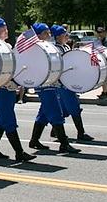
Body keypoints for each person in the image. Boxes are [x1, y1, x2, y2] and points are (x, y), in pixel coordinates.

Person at [0, 17, 37, 163]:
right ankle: (19, 152)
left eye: (6, 28)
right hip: (0, 87)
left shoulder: (6, 45)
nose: (6, 31)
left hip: (9, 87)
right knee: (8, 119)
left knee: (1, 119)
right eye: (3, 29)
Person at [28, 23, 80, 153]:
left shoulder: (47, 46)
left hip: (50, 83)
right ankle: (64, 143)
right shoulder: (36, 49)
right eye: (45, 33)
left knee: (44, 113)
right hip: (44, 84)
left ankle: (34, 140)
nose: (49, 35)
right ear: (37, 35)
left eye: (49, 32)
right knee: (55, 112)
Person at [52, 26, 94, 142]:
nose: (67, 36)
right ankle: (81, 133)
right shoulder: (56, 49)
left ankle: (55, 130)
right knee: (74, 107)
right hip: (63, 84)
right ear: (58, 37)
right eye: (65, 35)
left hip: (68, 82)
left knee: (64, 109)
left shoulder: (65, 47)